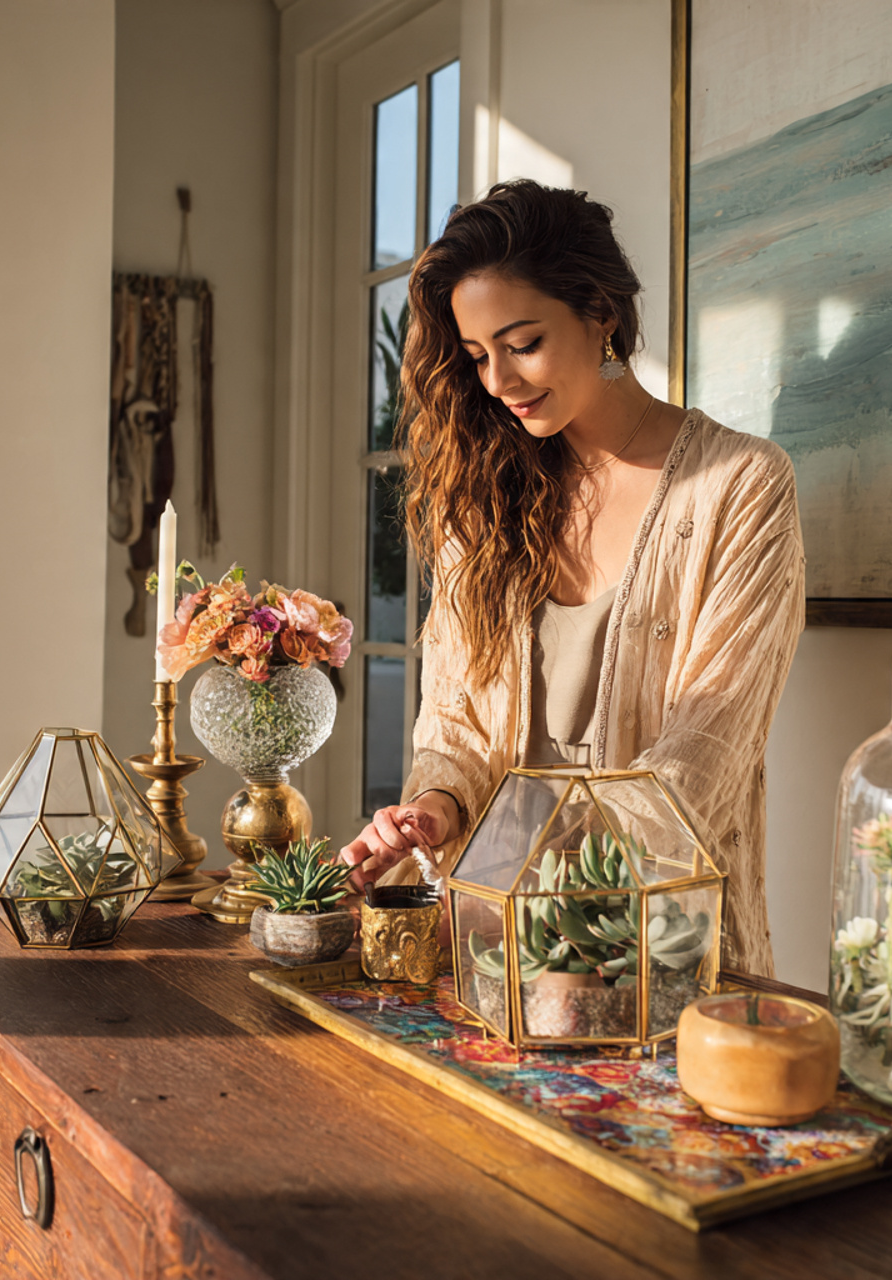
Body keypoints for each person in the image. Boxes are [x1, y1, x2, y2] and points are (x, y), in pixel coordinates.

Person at [338, 181, 804, 976]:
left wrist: (524, 876)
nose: (498, 382)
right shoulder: (481, 498)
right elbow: (455, 728)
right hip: (490, 965)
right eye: (478, 355)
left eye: (522, 344)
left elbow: (703, 758)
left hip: (666, 960)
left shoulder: (742, 485)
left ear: (601, 313)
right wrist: (430, 812)